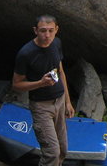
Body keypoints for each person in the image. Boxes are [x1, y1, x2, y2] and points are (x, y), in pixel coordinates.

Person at [13, 15, 74, 166]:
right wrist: (40, 83)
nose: (47, 35)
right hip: (41, 106)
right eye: (43, 31)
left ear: (56, 30)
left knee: (63, 149)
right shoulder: (26, 53)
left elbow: (60, 71)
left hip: (59, 101)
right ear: (35, 31)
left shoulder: (56, 44)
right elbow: (16, 84)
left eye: (51, 31)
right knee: (52, 152)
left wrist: (68, 101)